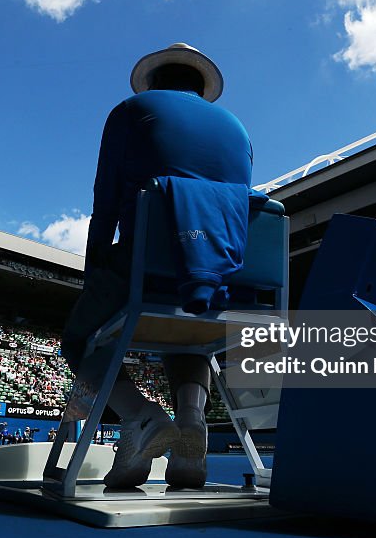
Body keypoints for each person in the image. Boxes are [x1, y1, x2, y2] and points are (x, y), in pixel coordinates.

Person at [62, 43, 254, 489]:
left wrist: (94, 276)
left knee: (77, 340)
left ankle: (142, 416)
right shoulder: (239, 129)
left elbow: (105, 204)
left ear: (153, 80)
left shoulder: (131, 110)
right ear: (199, 86)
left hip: (143, 267)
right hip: (225, 273)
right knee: (188, 330)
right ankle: (191, 421)